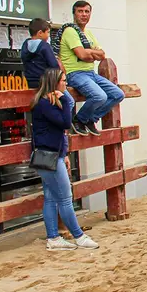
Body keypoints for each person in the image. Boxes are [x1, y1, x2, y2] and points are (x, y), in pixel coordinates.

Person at [30, 69, 98, 251]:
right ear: (54, 83)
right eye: (63, 81)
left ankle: (53, 237)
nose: (65, 84)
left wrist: (64, 154)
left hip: (52, 155)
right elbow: (66, 123)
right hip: (48, 156)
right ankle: (79, 236)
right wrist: (68, 101)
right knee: (65, 198)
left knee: (51, 198)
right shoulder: (45, 104)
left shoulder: (47, 103)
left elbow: (60, 132)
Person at [55, 1, 124, 137]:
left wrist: (89, 54)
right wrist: (90, 53)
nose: (84, 14)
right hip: (75, 73)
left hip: (90, 73)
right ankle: (79, 119)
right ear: (74, 13)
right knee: (100, 96)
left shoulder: (88, 33)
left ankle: (90, 119)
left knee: (118, 94)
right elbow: (81, 54)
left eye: (87, 11)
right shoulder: (70, 31)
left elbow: (102, 55)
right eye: (80, 11)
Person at [22, 18, 61, 88]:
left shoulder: (25, 45)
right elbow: (55, 66)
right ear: (40, 33)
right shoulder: (45, 46)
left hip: (30, 83)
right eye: (48, 32)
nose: (49, 35)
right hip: (45, 83)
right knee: (69, 99)